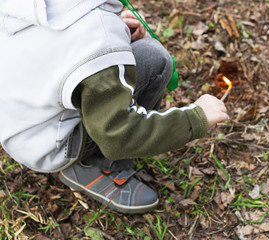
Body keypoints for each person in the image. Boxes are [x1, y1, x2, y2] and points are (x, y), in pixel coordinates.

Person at [0, 0, 228, 214]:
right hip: (51, 147)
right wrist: (196, 117)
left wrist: (114, 30)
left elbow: (58, 44)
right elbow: (120, 134)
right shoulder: (98, 34)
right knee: (154, 59)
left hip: (17, 126)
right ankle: (97, 167)